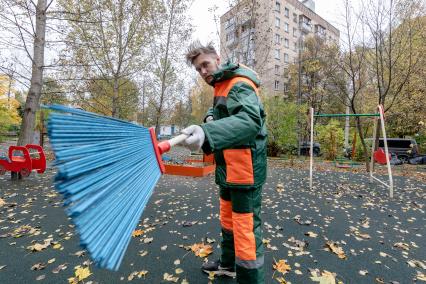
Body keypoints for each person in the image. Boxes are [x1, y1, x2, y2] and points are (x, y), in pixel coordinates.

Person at [182, 41, 267, 284]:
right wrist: (209, 118)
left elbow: (250, 122)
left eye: (205, 65)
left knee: (245, 231)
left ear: (218, 59)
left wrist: (207, 133)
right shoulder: (221, 85)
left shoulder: (239, 83)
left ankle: (250, 280)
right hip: (228, 169)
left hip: (244, 170)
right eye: (198, 69)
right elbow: (223, 115)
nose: (203, 72)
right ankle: (228, 265)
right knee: (228, 221)